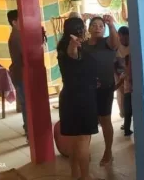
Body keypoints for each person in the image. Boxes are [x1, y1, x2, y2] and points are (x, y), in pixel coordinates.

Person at [57, 18, 99, 180]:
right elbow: (72, 55)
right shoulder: (71, 47)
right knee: (82, 142)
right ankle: (86, 177)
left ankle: (75, 175)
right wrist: (73, 45)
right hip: (81, 100)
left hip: (70, 98)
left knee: (75, 144)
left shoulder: (62, 45)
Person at [81, 15, 120, 166]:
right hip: (87, 89)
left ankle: (108, 151)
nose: (97, 27)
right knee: (88, 120)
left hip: (105, 88)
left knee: (105, 120)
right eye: (94, 25)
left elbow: (116, 42)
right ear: (89, 29)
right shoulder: (83, 45)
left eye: (101, 26)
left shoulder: (107, 42)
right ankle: (85, 151)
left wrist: (111, 25)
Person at [7, 10, 27, 136]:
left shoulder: (18, 35)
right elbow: (25, 56)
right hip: (21, 74)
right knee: (27, 105)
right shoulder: (16, 37)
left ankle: (28, 129)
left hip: (19, 74)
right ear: (14, 22)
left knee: (26, 104)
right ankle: (29, 131)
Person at [121, 26, 134, 137]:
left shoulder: (130, 51)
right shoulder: (130, 53)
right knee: (128, 110)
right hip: (129, 88)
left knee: (128, 111)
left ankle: (126, 129)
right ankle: (126, 129)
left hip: (128, 89)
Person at [116, 27, 130, 125]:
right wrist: (118, 78)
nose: (124, 40)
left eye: (126, 38)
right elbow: (114, 64)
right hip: (119, 74)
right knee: (121, 98)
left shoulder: (133, 44)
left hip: (129, 75)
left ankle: (127, 122)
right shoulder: (116, 46)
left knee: (128, 98)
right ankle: (125, 119)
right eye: (122, 38)